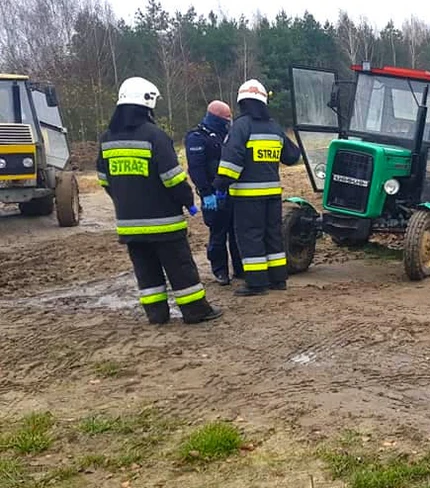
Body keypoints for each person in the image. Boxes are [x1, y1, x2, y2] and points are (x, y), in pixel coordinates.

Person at [96, 76, 223, 324]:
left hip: (129, 223)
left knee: (146, 271)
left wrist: (124, 201)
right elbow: (172, 178)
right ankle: (196, 311)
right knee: (180, 268)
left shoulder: (107, 139)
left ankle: (156, 315)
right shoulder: (154, 136)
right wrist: (188, 200)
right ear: (147, 103)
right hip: (164, 222)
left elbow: (104, 180)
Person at [212, 78, 301, 296]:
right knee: (273, 235)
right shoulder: (274, 127)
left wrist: (220, 184)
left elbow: (232, 161)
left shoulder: (241, 126)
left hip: (247, 196)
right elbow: (293, 156)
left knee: (250, 237)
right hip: (272, 195)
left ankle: (257, 283)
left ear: (241, 102)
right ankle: (278, 279)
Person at [184, 100, 243, 285]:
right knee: (218, 234)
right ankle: (220, 271)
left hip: (232, 191)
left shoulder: (229, 134)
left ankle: (240, 269)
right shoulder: (197, 137)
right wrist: (206, 192)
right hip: (212, 193)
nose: (229, 120)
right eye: (226, 117)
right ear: (216, 117)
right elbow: (196, 168)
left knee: (236, 232)